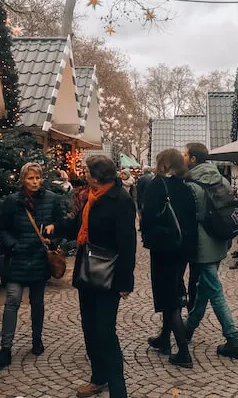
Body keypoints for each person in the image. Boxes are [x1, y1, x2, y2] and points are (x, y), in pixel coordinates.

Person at [0, 163, 69, 371]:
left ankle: (37, 339)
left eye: (38, 178)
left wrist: (54, 229)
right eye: (30, 178)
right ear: (23, 179)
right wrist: (13, 245)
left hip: (39, 259)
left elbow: (64, 223)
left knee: (37, 301)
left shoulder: (51, 199)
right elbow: (1, 228)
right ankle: (5, 348)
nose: (35, 182)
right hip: (18, 259)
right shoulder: (12, 201)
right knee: (12, 300)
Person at [73, 155, 136, 398]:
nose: (83, 174)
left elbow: (127, 244)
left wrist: (125, 281)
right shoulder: (90, 196)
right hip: (87, 269)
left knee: (105, 331)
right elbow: (79, 226)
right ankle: (98, 377)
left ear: (97, 176)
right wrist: (56, 229)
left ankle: (118, 390)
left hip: (109, 273)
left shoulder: (120, 200)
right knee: (89, 327)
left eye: (86, 171)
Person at [183, 142, 238, 359]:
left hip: (202, 242)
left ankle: (233, 339)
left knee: (214, 290)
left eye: (185, 154)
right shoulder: (222, 179)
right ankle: (188, 328)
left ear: (192, 159)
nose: (183, 157)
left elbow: (188, 218)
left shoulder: (190, 184)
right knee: (204, 287)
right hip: (220, 239)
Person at [141, 149, 199, 368]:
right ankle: (164, 338)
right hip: (182, 249)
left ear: (162, 163)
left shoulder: (158, 185)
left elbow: (147, 217)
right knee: (173, 290)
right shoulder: (186, 187)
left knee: (170, 297)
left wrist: (149, 238)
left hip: (164, 249)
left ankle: (183, 352)